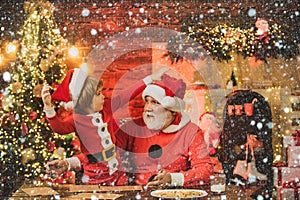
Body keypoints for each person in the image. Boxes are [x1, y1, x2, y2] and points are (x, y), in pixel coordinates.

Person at [43, 67, 168, 185]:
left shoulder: (107, 108)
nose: (103, 96)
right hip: (95, 173)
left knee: (121, 190)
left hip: (117, 170)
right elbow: (59, 128)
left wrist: (150, 79)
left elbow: (127, 94)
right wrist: (49, 109)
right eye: (98, 94)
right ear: (86, 100)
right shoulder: (76, 120)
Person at [115, 74, 213, 186]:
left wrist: (173, 179)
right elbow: (109, 155)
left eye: (155, 102)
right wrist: (124, 185)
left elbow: (205, 170)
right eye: (147, 101)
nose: (148, 108)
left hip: (175, 195)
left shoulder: (190, 132)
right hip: (139, 194)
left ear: (172, 109)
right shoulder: (132, 128)